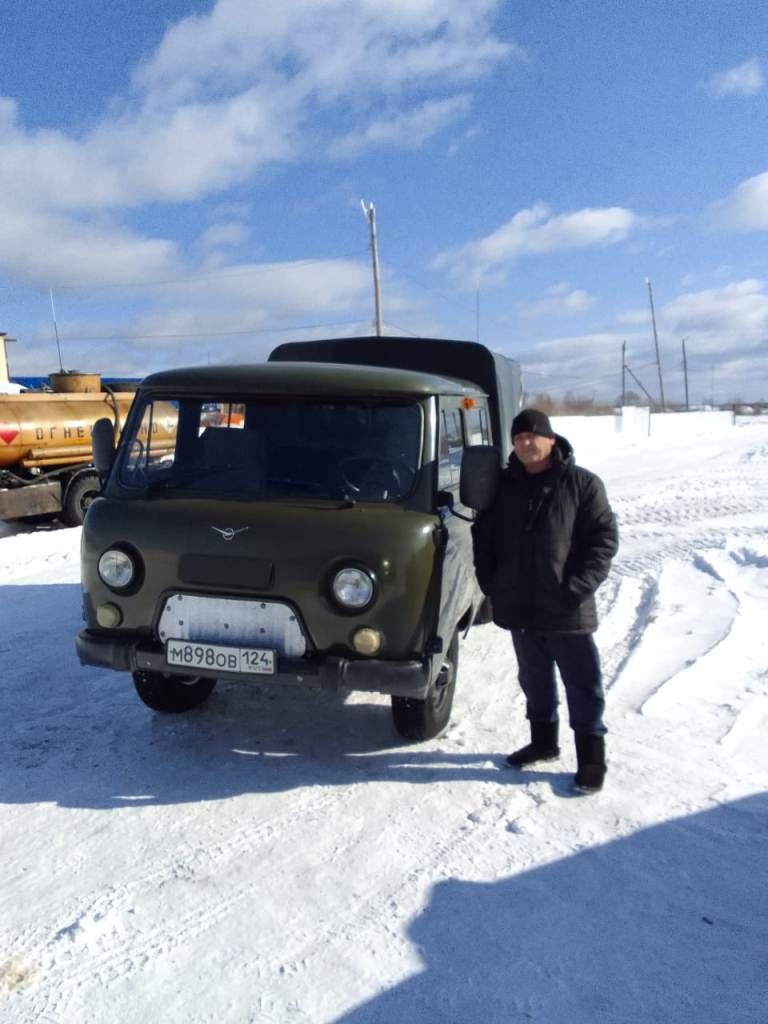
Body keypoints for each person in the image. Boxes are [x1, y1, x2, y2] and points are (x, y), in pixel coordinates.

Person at [472, 408, 618, 793]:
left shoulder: (582, 484)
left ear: (550, 439)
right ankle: (543, 742)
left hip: (566, 609)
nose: (524, 443)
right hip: (520, 606)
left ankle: (591, 759)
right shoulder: (503, 486)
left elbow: (603, 541)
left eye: (532, 436)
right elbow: (483, 535)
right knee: (534, 680)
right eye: (518, 438)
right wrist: (492, 582)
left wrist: (575, 588)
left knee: (582, 684)